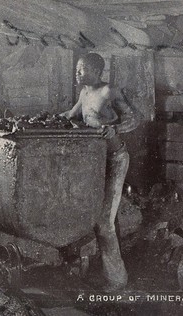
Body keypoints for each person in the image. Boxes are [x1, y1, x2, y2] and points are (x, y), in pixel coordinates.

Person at [60, 52, 139, 290]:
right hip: (94, 161)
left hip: (115, 159)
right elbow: (71, 115)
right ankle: (85, 266)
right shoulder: (84, 93)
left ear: (95, 71)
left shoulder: (109, 92)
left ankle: (117, 279)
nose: (77, 73)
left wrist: (115, 130)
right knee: (86, 212)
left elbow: (135, 119)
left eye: (81, 69)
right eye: (76, 69)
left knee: (104, 221)